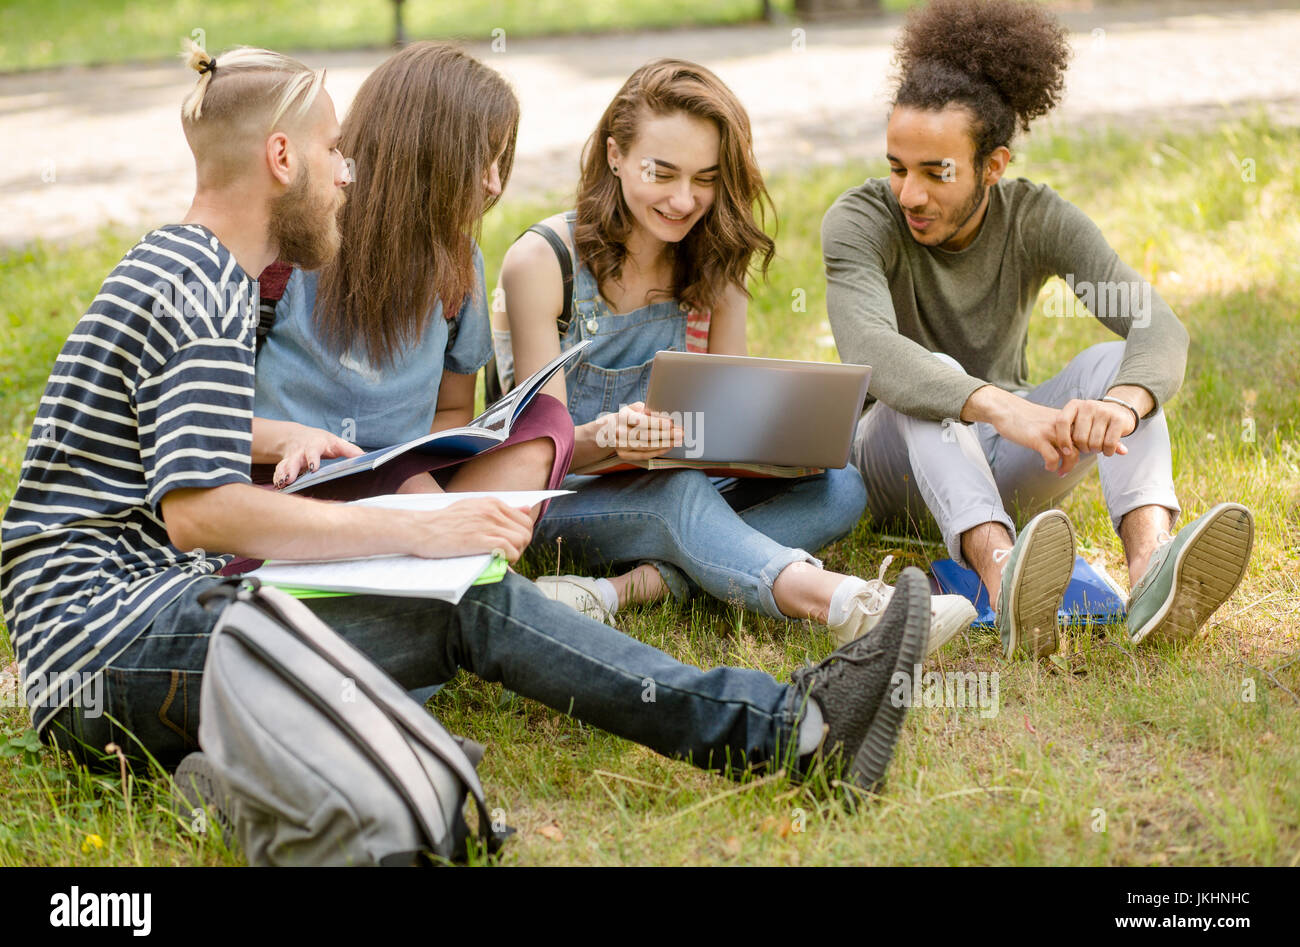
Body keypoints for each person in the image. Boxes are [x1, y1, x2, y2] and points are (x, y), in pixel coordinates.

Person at [0, 42, 931, 811]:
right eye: (334, 153)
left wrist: (284, 442)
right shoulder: (202, 287)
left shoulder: (192, 273)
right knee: (461, 595)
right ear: (282, 159)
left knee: (448, 609)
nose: (348, 170)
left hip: (140, 641)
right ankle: (787, 729)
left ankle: (246, 777)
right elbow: (203, 518)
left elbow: (176, 458)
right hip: (117, 645)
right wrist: (421, 525)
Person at [495, 59, 975, 653]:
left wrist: (778, 441)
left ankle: (624, 590)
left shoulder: (715, 264)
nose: (683, 199)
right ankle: (849, 604)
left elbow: (725, 437)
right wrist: (611, 438)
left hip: (676, 486)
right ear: (615, 155)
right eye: (661, 173)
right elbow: (538, 460)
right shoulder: (544, 263)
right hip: (561, 508)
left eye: (705, 178)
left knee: (842, 488)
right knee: (676, 498)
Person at [822, 0, 1253, 659]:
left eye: (937, 173)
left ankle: (1153, 576)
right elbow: (872, 351)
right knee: (929, 377)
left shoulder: (1037, 218)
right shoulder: (859, 221)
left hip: (1004, 456)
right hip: (895, 466)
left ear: (992, 167)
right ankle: (1004, 580)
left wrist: (1120, 407)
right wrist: (1001, 404)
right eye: (897, 166)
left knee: (1118, 362)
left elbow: (1157, 326)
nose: (909, 193)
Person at [250, 42, 571, 509]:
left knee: (548, 425)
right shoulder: (280, 252)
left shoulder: (460, 263)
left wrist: (403, 473)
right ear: (423, 154)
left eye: (501, 163)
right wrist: (296, 442)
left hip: (397, 485)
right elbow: (202, 421)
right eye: (482, 160)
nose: (495, 185)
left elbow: (454, 409)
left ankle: (440, 542)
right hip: (282, 485)